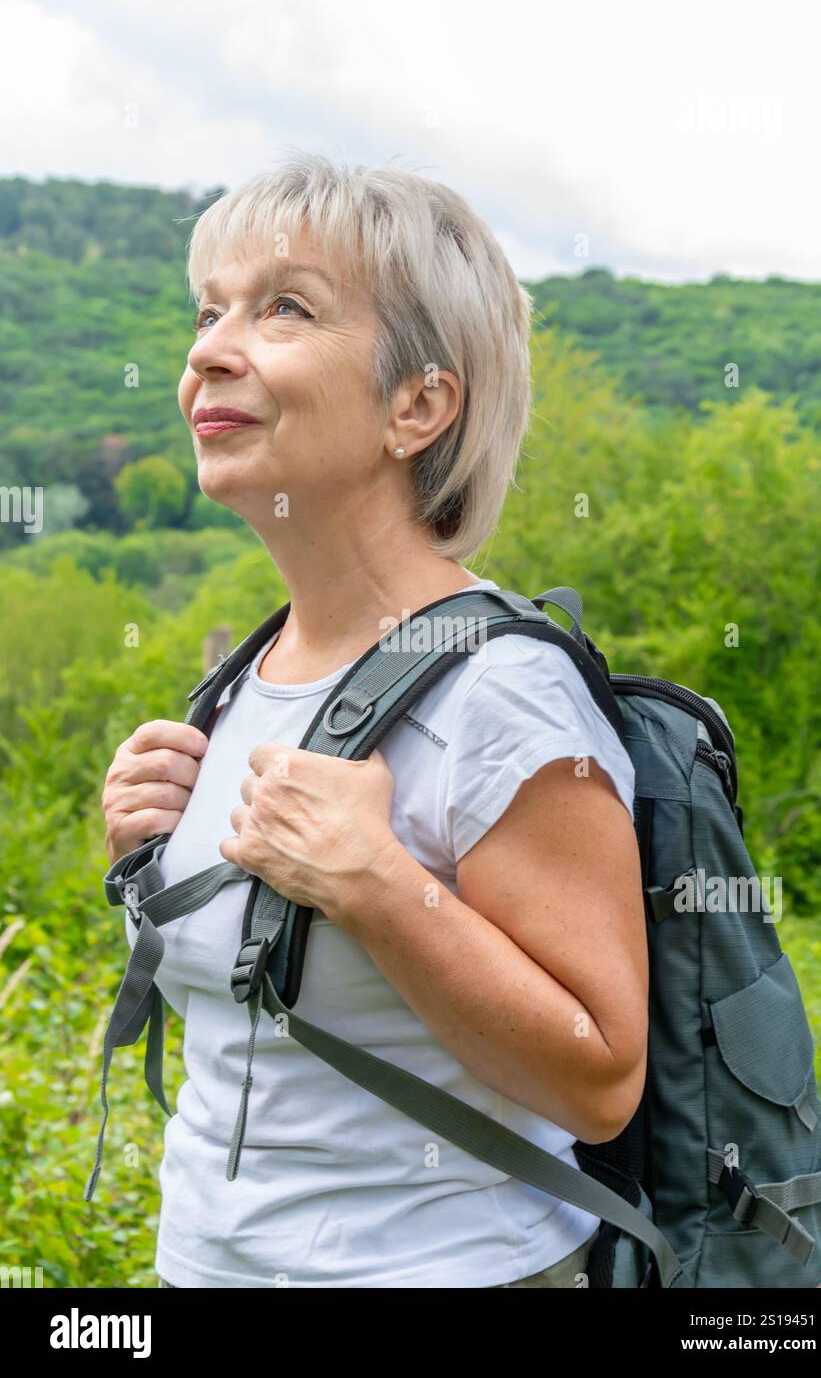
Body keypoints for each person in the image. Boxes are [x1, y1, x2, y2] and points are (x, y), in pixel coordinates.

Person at [101, 150, 648, 1288]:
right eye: (209, 311)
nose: (207, 347)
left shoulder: (499, 688)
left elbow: (599, 1081)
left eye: (284, 308)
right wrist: (151, 861)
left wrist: (372, 881)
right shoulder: (248, 675)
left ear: (418, 405)